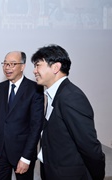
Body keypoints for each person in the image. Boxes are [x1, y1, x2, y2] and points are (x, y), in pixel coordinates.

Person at [31, 44, 106, 180]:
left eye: (38, 65)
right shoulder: (54, 94)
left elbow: (89, 146)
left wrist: (97, 176)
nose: (34, 71)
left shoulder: (71, 97)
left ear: (55, 67)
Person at [0, 51, 44, 180]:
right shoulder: (0, 87)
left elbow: (36, 126)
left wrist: (26, 157)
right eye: (5, 64)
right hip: (1, 150)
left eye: (12, 64)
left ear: (22, 66)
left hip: (22, 151)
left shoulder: (35, 89)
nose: (7, 67)